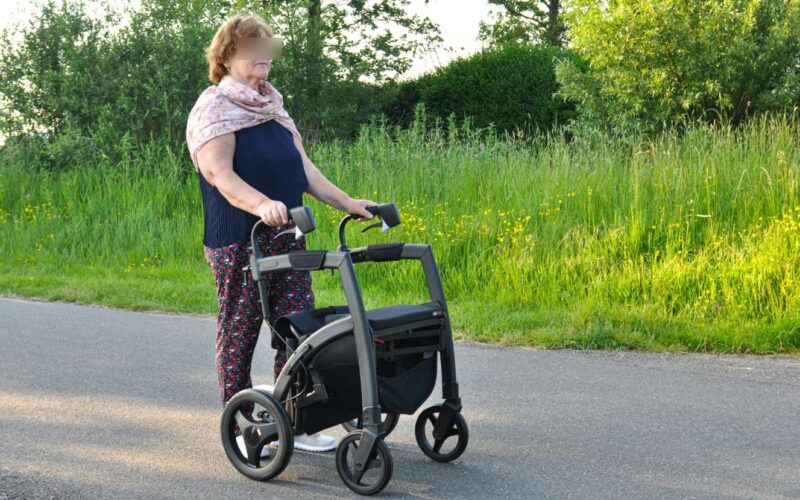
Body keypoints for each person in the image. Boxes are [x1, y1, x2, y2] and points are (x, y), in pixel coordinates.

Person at [186, 14, 375, 453]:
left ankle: (295, 420)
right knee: (240, 330)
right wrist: (261, 205)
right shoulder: (215, 107)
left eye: (266, 47)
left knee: (297, 330)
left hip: (287, 234)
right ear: (228, 56)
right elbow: (220, 175)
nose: (263, 57)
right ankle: (243, 428)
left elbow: (305, 171)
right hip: (240, 238)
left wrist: (350, 203)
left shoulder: (273, 106)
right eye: (253, 48)